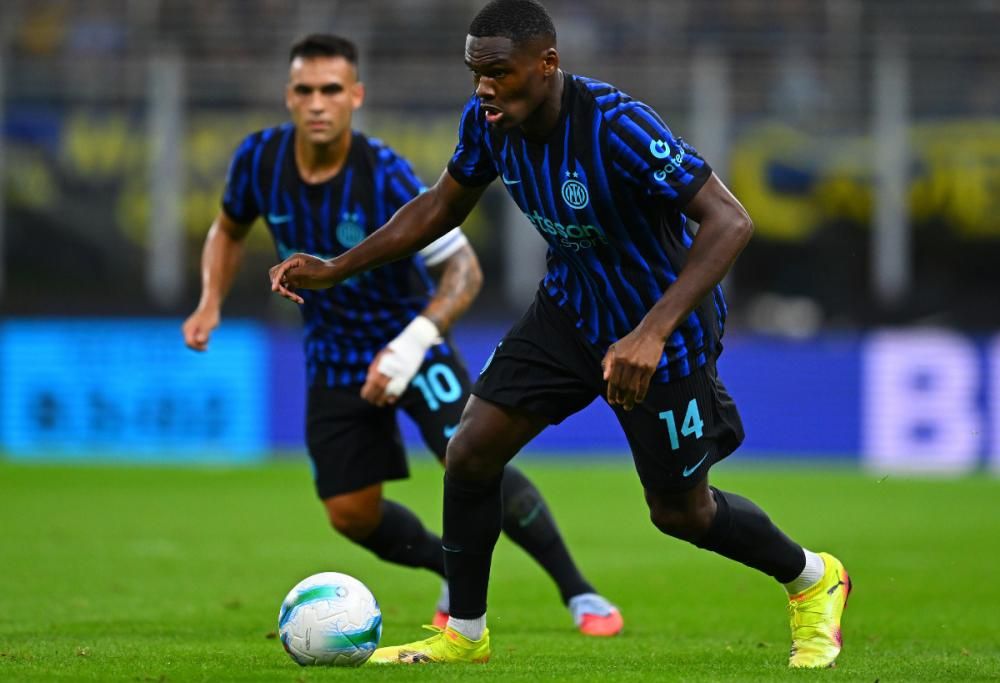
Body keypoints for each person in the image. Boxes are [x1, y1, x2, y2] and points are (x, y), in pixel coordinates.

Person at [268, 4, 850, 669]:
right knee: (470, 451)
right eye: (475, 72)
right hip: (570, 313)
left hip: (663, 329)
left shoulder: (617, 125)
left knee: (681, 513)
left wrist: (651, 333)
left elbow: (730, 220)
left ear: (546, 64)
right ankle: (464, 633)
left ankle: (813, 578)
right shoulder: (487, 121)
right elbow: (441, 205)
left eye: (498, 72)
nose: (484, 87)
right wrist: (337, 267)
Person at [183, 32, 624, 638]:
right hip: (332, 356)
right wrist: (209, 301)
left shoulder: (384, 173)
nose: (317, 103)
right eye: (305, 90)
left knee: (474, 454)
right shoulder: (258, 160)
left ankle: (578, 591)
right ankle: (449, 569)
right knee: (350, 514)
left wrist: (410, 344)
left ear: (355, 96)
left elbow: (463, 271)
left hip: (412, 343)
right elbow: (227, 229)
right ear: (288, 96)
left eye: (331, 89)